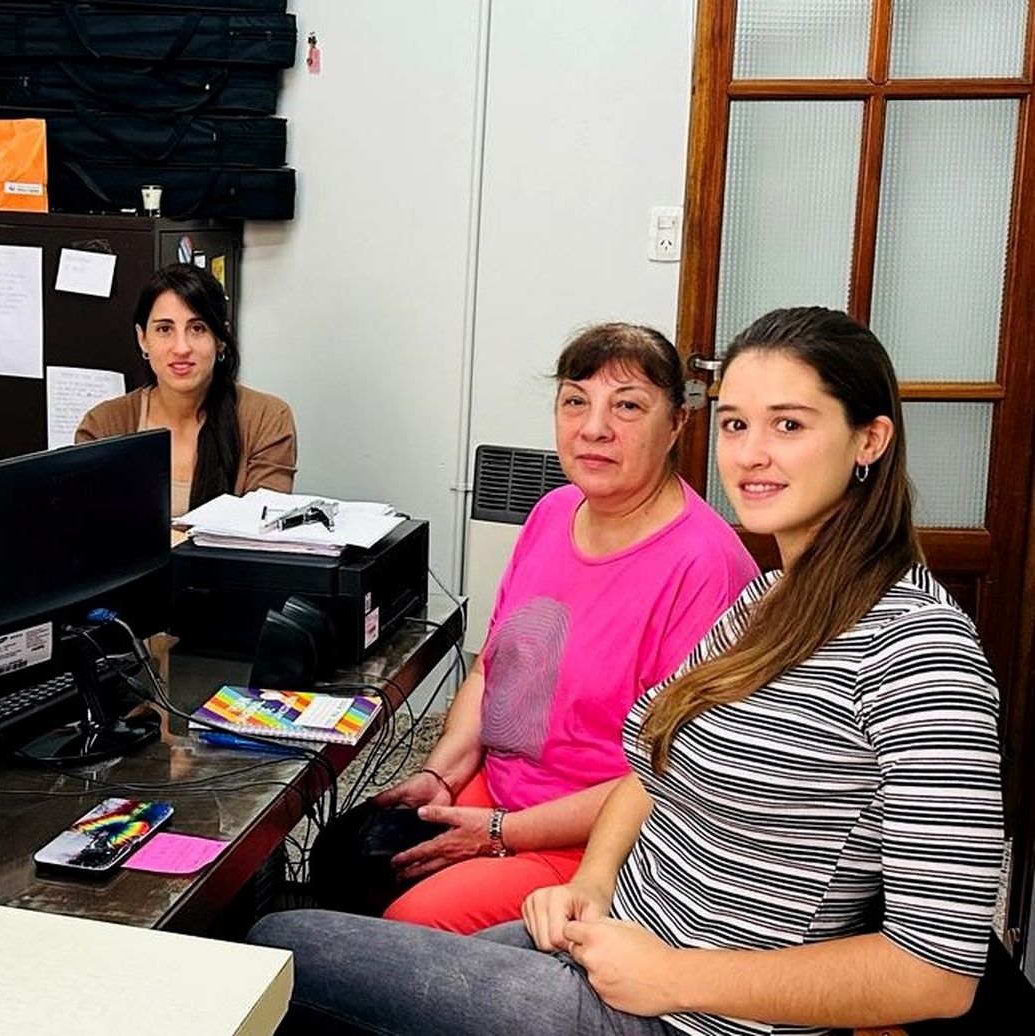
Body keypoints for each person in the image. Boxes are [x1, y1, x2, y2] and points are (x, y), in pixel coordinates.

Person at [249, 307, 1004, 1036]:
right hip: (611, 938)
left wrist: (670, 976)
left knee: (276, 954)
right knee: (330, 905)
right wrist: (591, 888)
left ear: (869, 439)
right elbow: (652, 773)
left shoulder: (921, 654)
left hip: (686, 1010)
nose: (750, 454)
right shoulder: (770, 602)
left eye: (790, 425)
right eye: (737, 424)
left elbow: (937, 975)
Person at [309, 323, 756, 934]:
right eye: (576, 401)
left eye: (627, 406)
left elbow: (671, 780)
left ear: (677, 423)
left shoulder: (708, 568)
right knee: (343, 851)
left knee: (404, 921)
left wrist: (501, 833)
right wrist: (442, 772)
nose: (594, 428)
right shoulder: (551, 514)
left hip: (596, 845)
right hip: (499, 792)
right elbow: (493, 666)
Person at [75, 263, 296, 517]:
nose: (181, 348)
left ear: (221, 338)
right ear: (142, 339)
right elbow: (93, 533)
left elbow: (259, 533)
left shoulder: (266, 419)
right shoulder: (103, 425)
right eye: (164, 329)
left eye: (198, 328)